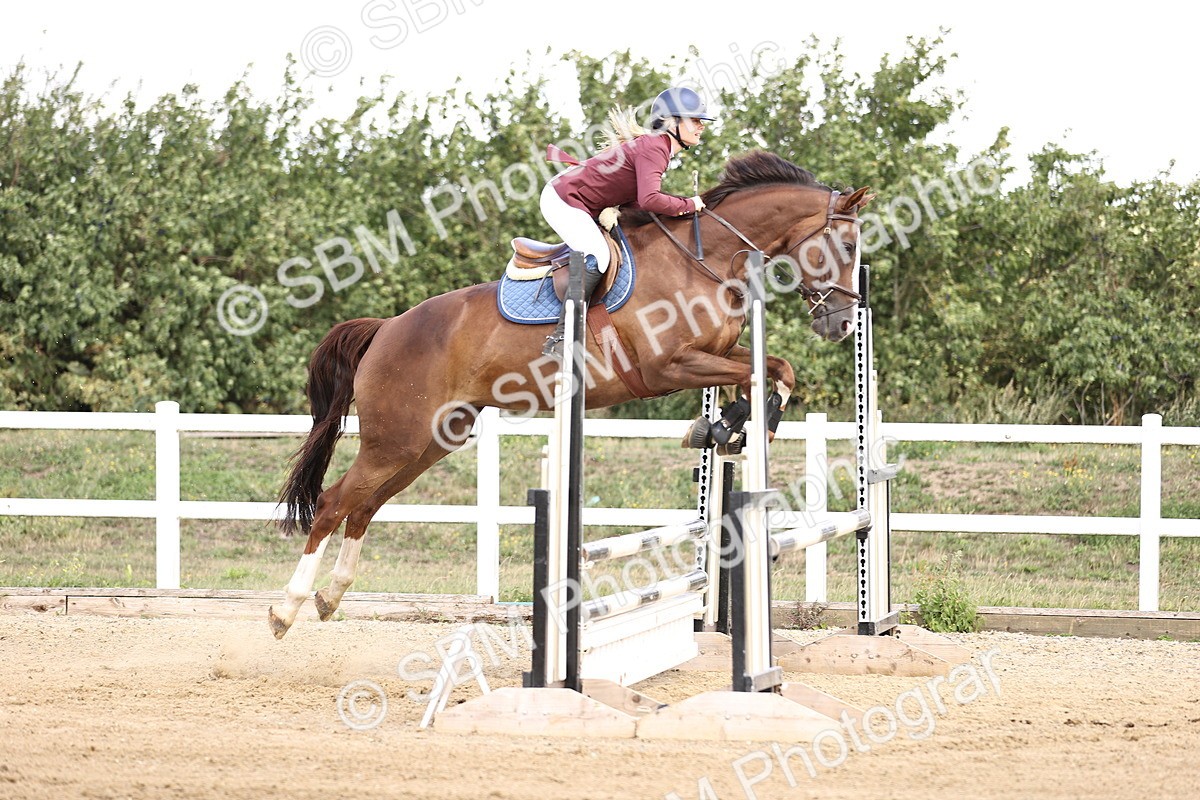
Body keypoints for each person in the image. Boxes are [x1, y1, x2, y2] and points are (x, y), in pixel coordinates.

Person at [539, 86, 716, 358]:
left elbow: (638, 203)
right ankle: (561, 338)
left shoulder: (657, 147)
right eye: (695, 120)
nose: (701, 126)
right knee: (598, 256)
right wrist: (688, 205)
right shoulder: (655, 148)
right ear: (672, 123)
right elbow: (649, 199)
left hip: (578, 201)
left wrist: (680, 208)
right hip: (563, 199)